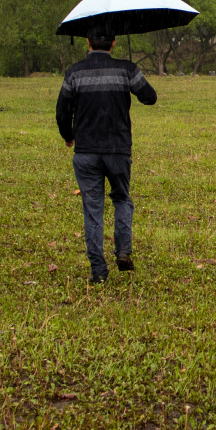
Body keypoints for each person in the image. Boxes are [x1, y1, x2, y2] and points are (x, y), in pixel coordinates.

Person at [55, 29, 158, 283]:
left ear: (87, 42)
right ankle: (123, 250)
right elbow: (150, 98)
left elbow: (62, 110)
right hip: (118, 150)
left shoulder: (74, 72)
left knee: (93, 209)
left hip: (86, 151)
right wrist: (131, 74)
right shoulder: (126, 69)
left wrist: (68, 135)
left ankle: (98, 271)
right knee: (121, 199)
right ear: (114, 43)